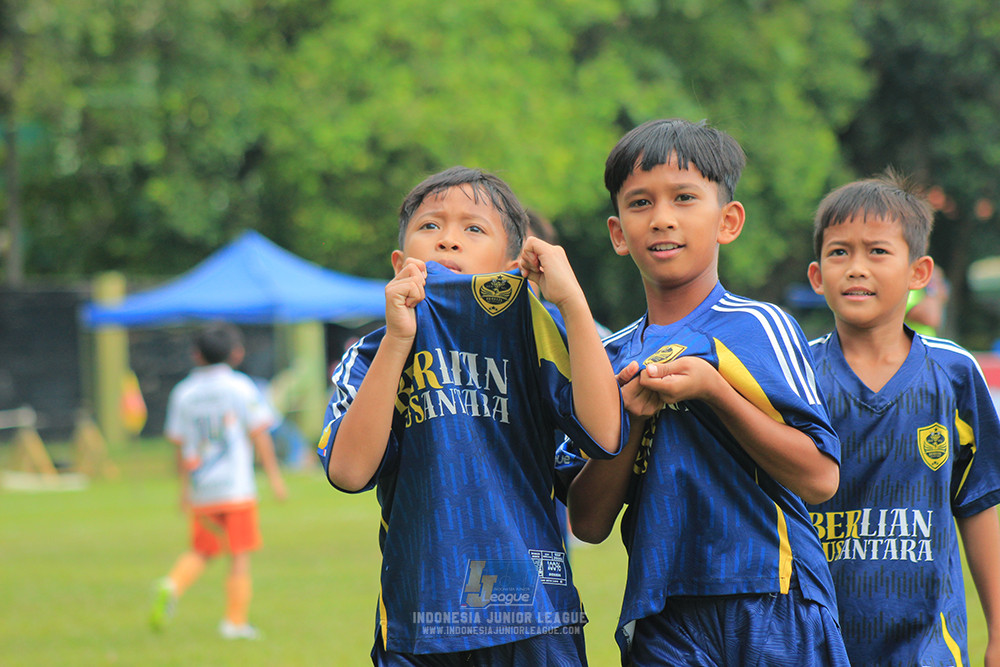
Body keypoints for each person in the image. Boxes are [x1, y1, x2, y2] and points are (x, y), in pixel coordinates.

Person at [567, 118, 849, 665]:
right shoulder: (607, 360)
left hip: (774, 597)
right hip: (662, 612)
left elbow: (820, 478)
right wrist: (633, 420)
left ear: (728, 221)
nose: (663, 218)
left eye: (685, 197)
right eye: (641, 203)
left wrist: (715, 391)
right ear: (618, 234)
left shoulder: (760, 326)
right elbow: (587, 522)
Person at [318, 166, 625, 665]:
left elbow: (605, 434)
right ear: (400, 261)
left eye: (473, 228)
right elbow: (350, 473)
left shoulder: (536, 333)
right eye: (431, 226)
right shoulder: (373, 354)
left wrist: (569, 300)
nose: (448, 242)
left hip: (533, 611)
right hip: (420, 618)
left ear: (513, 262)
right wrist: (398, 340)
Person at [805, 172, 1000, 666]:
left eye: (877, 251)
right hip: (813, 643)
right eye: (839, 252)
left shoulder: (953, 374)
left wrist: (998, 631)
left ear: (920, 273)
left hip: (928, 648)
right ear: (816, 275)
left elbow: (977, 504)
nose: (856, 268)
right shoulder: (795, 374)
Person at [150, 322, 288, 639]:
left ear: (195, 355)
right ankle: (234, 622)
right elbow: (260, 434)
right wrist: (276, 478)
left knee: (203, 549)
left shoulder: (183, 392)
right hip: (236, 489)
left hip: (203, 488)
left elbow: (179, 444)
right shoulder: (240, 387)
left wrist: (184, 490)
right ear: (237, 354)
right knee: (239, 555)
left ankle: (172, 584)